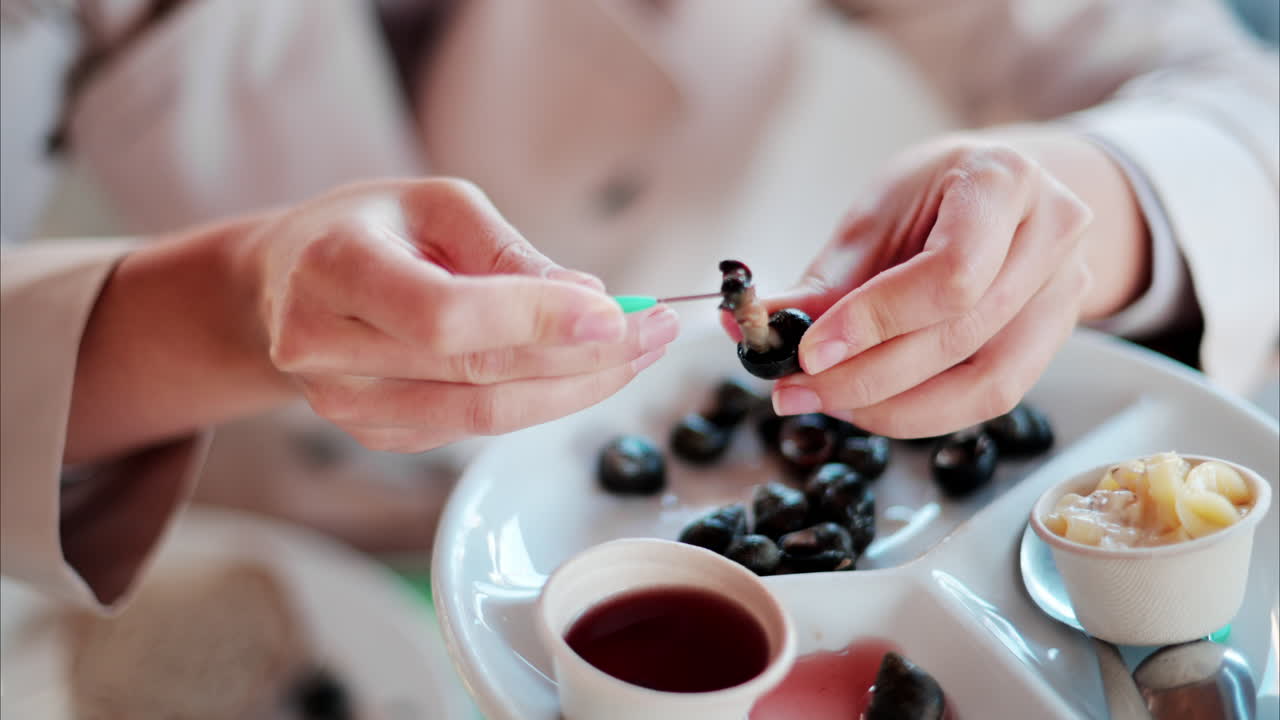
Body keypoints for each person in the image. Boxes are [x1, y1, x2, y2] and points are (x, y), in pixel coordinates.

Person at [2, 0, 1276, 612]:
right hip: (225, 533)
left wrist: (1079, 206)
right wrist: (227, 308)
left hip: (690, 498)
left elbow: (1233, 109)